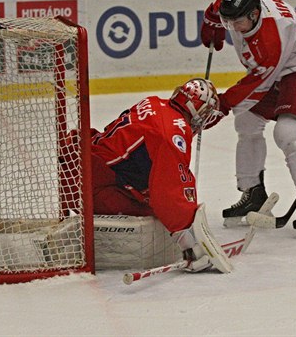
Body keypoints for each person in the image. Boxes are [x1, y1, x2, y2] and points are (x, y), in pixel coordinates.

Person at [200, 0, 296, 238]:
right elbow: (216, 8)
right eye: (226, 22)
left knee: (288, 132)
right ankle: (253, 193)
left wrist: (221, 105)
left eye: (236, 23)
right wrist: (211, 23)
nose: (232, 29)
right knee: (246, 121)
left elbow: (257, 83)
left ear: (254, 14)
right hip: (278, 71)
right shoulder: (234, 1)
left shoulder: (273, 34)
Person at [60, 78, 232, 272]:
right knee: (157, 210)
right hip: (90, 188)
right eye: (207, 113)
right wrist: (192, 243)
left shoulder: (154, 103)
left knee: (153, 192)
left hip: (78, 168)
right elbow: (168, 193)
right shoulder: (173, 133)